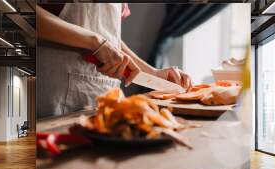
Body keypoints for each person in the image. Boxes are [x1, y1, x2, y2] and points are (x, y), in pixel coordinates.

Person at [36, 3, 192, 117]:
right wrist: (95, 42)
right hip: (53, 93)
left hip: (105, 97)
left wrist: (153, 73)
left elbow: (109, 37)